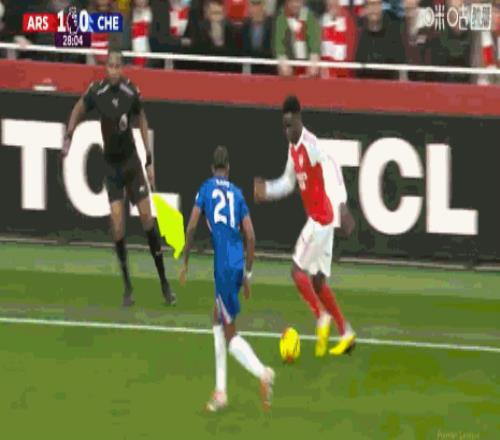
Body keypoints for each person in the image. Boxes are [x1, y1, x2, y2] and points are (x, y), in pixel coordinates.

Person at [62, 51, 177, 307]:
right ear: (106, 68)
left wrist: (148, 159)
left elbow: (142, 118)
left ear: (122, 68)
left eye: (117, 66)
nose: (113, 70)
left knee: (147, 219)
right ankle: (127, 286)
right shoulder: (98, 91)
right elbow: (79, 107)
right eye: (110, 66)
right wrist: (69, 134)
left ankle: (164, 283)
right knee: (118, 225)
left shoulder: (130, 91)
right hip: (111, 167)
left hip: (131, 164)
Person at [254, 95, 356, 357]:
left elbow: (333, 167)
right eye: (284, 126)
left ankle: (321, 317)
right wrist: (267, 191)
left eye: (291, 125)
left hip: (321, 219)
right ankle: (346, 333)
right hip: (323, 220)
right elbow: (288, 183)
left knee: (296, 271)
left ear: (299, 119)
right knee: (319, 282)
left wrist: (342, 203)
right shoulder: (293, 149)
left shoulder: (311, 144)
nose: (287, 131)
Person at [180, 146, 275, 412]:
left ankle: (263, 373)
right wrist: (248, 274)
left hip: (222, 266)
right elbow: (251, 236)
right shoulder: (238, 193)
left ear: (213, 168)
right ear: (229, 168)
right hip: (236, 262)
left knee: (230, 334)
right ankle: (220, 391)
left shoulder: (206, 189)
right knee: (217, 319)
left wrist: (185, 260)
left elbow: (192, 226)